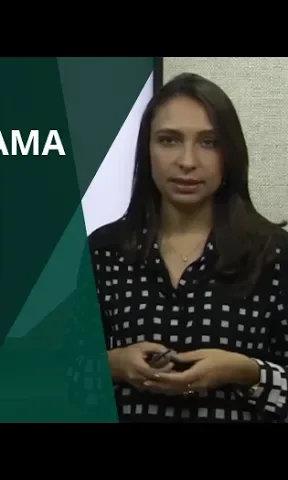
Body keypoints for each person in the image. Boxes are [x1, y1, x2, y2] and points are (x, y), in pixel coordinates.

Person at [89, 72, 288, 423]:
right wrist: (113, 364)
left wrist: (247, 371)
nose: (187, 161)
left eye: (208, 142)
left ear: (230, 154)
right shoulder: (104, 251)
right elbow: (62, 376)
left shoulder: (274, 254)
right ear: (146, 150)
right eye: (169, 140)